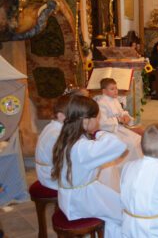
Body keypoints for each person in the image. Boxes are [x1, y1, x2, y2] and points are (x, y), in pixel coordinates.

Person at [51, 95, 127, 237]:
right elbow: (119, 145)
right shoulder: (82, 148)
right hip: (80, 201)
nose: (98, 121)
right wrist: (99, 133)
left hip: (71, 196)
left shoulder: (67, 137)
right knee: (124, 213)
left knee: (119, 201)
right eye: (96, 118)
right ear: (85, 120)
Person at [95, 78, 143, 190]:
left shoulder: (114, 100)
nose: (115, 91)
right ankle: (123, 171)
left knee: (137, 139)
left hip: (119, 128)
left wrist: (126, 116)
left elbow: (121, 112)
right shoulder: (101, 103)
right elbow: (102, 122)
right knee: (130, 143)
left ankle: (135, 170)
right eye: (112, 89)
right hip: (109, 132)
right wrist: (119, 120)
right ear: (104, 91)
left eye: (116, 88)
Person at [35, 95, 71, 190]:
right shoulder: (57, 134)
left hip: (48, 171)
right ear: (60, 116)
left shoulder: (52, 126)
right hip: (51, 177)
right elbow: (65, 159)